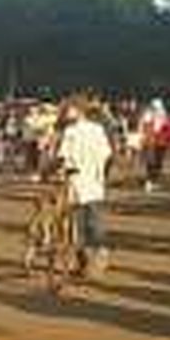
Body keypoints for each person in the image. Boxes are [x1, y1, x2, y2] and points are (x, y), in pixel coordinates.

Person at [57, 98, 114, 277]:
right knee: (89, 223)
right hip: (90, 183)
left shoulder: (73, 131)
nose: (66, 113)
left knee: (84, 224)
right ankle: (91, 262)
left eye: (68, 110)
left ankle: (92, 261)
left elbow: (63, 157)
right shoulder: (95, 130)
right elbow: (107, 154)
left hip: (80, 181)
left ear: (77, 110)